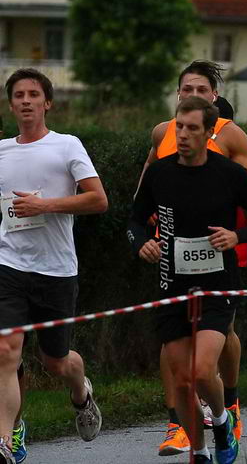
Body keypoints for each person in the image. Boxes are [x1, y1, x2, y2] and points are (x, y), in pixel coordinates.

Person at [129, 96, 247, 464]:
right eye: (179, 126)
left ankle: (223, 421)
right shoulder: (160, 173)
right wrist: (142, 243)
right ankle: (200, 450)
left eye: (192, 128)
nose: (182, 134)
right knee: (182, 380)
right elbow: (133, 221)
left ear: (209, 132)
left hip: (217, 285)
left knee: (200, 371)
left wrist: (237, 236)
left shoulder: (228, 173)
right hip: (172, 285)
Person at [0, 68, 108, 463]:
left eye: (33, 94)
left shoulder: (66, 145)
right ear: (11, 105)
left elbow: (98, 200)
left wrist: (44, 205)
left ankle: (81, 393)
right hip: (8, 263)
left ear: (47, 103)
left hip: (55, 269)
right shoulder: (1, 151)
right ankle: (6, 438)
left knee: (56, 362)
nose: (26, 101)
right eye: (18, 95)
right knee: (5, 351)